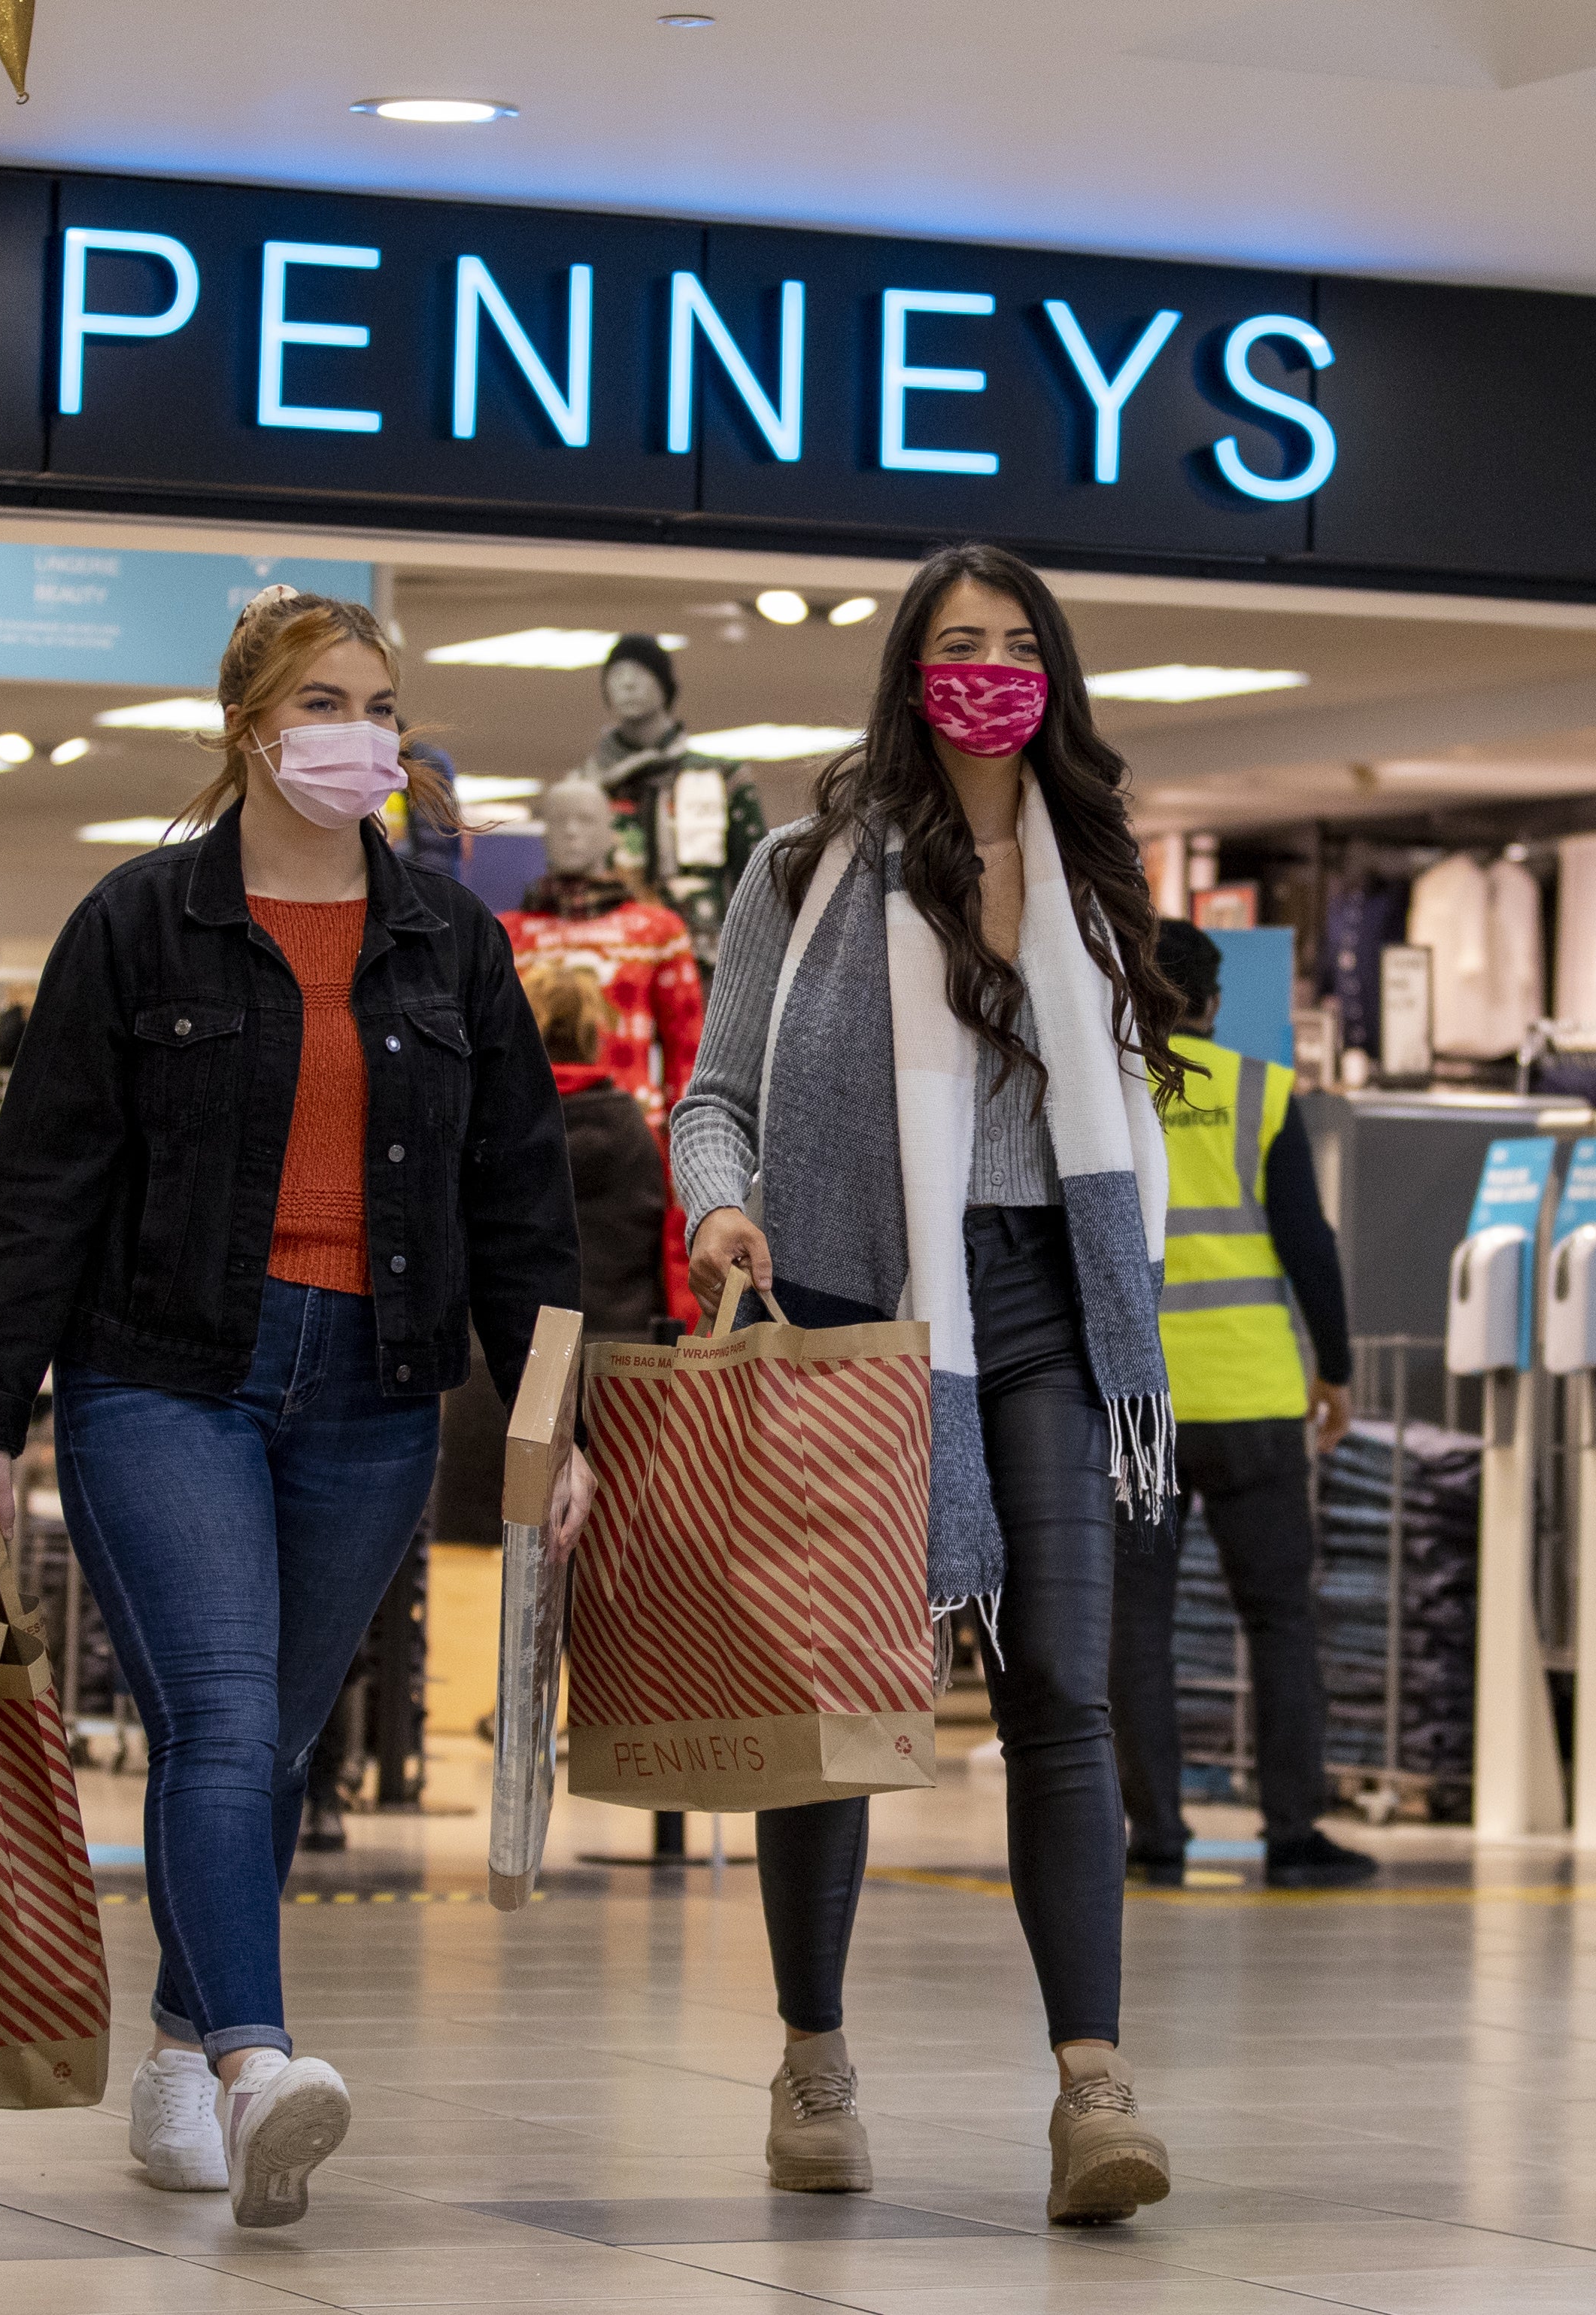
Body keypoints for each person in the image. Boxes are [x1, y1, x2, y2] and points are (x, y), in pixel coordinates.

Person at [0, 587, 587, 2228]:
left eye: (377, 701)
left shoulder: (454, 939)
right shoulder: (138, 922)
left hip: (374, 1387)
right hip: (166, 1372)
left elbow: (521, 1203)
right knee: (225, 1717)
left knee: (274, 1741)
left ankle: (175, 2053)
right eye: (322, 701)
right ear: (251, 727)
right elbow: (41, 1186)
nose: (357, 731)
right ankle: (253, 2059)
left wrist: (552, 1423)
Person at [671, 541, 1186, 2225]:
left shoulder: (1098, 868)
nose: (987, 667)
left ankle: (1092, 2084)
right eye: (956, 642)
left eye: (1016, 641)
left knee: (1063, 1681)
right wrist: (719, 1202)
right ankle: (813, 2054)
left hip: (1044, 1302)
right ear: (907, 670)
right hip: (846, 1306)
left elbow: (1129, 1109)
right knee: (834, 1705)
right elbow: (709, 1097)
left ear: (1055, 672)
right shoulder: (806, 867)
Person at [1106, 919, 1368, 1890]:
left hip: (1140, 1402)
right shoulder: (1261, 1093)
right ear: (1214, 1003)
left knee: (1138, 1624)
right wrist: (1333, 1368)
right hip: (1256, 1396)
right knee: (1279, 1620)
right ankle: (1294, 1831)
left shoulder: (1112, 1091)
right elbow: (1310, 1241)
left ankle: (1157, 1834)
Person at [525, 963, 671, 1343]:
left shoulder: (501, 1124)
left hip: (511, 1350)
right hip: (622, 1347)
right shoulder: (633, 1127)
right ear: (594, 1035)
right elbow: (661, 1244)